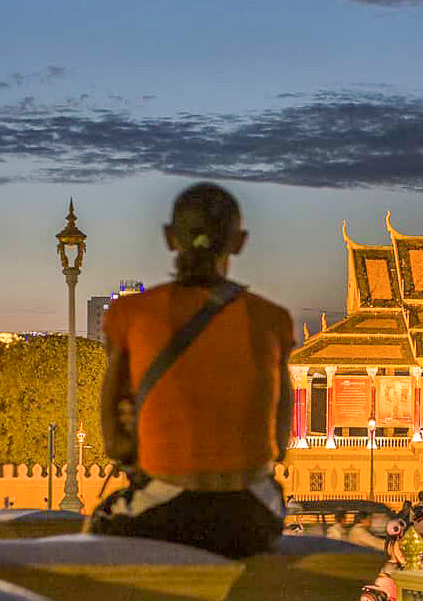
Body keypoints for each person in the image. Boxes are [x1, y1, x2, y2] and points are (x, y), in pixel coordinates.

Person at [90, 183, 292, 560]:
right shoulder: (272, 319)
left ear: (170, 237)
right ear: (239, 242)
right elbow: (280, 444)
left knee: (101, 525)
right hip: (248, 519)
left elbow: (115, 442)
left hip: (164, 515)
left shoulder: (131, 315)